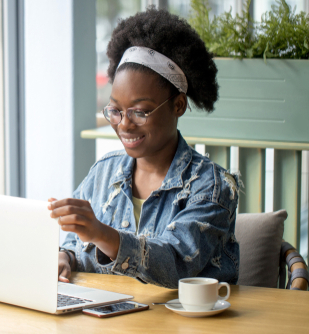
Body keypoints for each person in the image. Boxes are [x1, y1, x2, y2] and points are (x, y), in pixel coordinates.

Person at [48, 8, 241, 289]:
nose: (124, 125)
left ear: (178, 105)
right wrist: (65, 257)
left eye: (139, 111)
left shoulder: (211, 186)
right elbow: (76, 245)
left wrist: (102, 233)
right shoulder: (104, 172)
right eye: (115, 110)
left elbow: (175, 264)